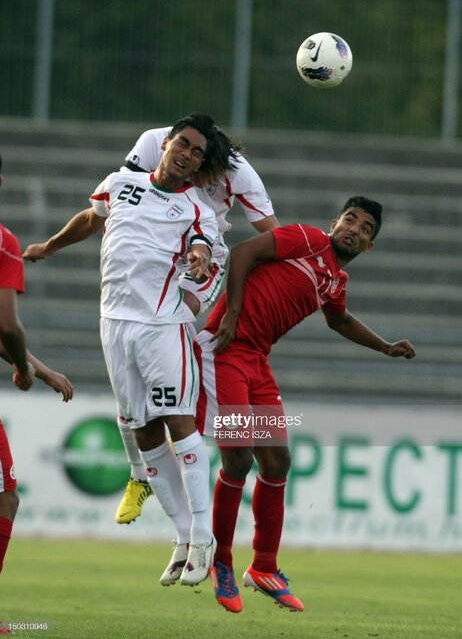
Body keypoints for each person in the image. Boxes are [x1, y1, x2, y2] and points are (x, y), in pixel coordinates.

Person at [25, 116, 281, 528]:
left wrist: (249, 305)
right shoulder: (152, 143)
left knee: (170, 322)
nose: (190, 160)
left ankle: (183, 408)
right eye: (185, 147)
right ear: (169, 143)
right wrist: (51, 246)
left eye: (200, 157)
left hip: (203, 255)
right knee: (134, 383)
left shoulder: (240, 174)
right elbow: (110, 208)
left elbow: (272, 233)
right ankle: (139, 474)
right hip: (154, 251)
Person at [193, 196, 416, 613]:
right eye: (350, 219)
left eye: (366, 228)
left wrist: (384, 347)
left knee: (277, 462)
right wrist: (233, 310)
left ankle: (263, 567)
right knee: (238, 459)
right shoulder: (306, 238)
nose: (355, 228)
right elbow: (243, 253)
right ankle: (219, 562)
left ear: (368, 247)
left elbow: (339, 319)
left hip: (256, 360)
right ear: (334, 223)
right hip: (225, 348)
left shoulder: (335, 281)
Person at [0, 153, 73, 635]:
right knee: (6, 498)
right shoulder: (3, 241)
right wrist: (27, 370)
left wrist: (38, 369)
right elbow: (6, 325)